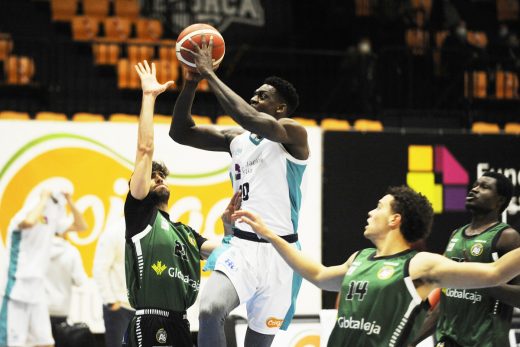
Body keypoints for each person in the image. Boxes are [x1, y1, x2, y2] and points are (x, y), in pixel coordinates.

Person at [231, 186, 520, 346]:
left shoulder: (419, 265)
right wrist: (269, 235)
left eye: (379, 206)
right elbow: (318, 275)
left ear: (396, 220)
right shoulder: (360, 258)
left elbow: (495, 273)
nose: (370, 212)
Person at [170, 35, 310, 347]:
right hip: (242, 248)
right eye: (254, 95)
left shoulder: (293, 134)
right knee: (209, 310)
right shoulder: (236, 139)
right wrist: (192, 82)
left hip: (280, 255)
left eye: (262, 97)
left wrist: (210, 73)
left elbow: (249, 117)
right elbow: (180, 132)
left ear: (281, 108)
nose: (254, 99)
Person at [124, 60, 237, 347]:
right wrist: (149, 97)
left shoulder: (185, 233)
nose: (158, 178)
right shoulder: (139, 216)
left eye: (161, 175)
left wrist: (233, 229)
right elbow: (145, 149)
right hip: (150, 321)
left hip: (181, 323)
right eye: (152, 176)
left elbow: (226, 250)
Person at [413, 171, 520, 347]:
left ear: (500, 200)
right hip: (447, 341)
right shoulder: (455, 235)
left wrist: (483, 279)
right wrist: (412, 341)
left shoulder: (507, 237)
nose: (474, 190)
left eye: (484, 187)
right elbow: (447, 298)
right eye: (475, 185)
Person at [0, 189, 88, 347]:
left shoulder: (49, 222)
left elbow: (82, 226)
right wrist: (43, 199)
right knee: (13, 342)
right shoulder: (22, 217)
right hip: (16, 287)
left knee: (46, 342)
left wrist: (69, 201)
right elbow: (28, 222)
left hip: (37, 289)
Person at [93, 217, 134, 347]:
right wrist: (110, 301)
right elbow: (99, 269)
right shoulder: (114, 232)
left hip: (143, 308)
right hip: (120, 307)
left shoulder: (150, 232)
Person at [45, 232, 88, 337]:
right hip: (61, 308)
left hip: (40, 308)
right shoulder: (71, 251)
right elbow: (80, 281)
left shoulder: (38, 249)